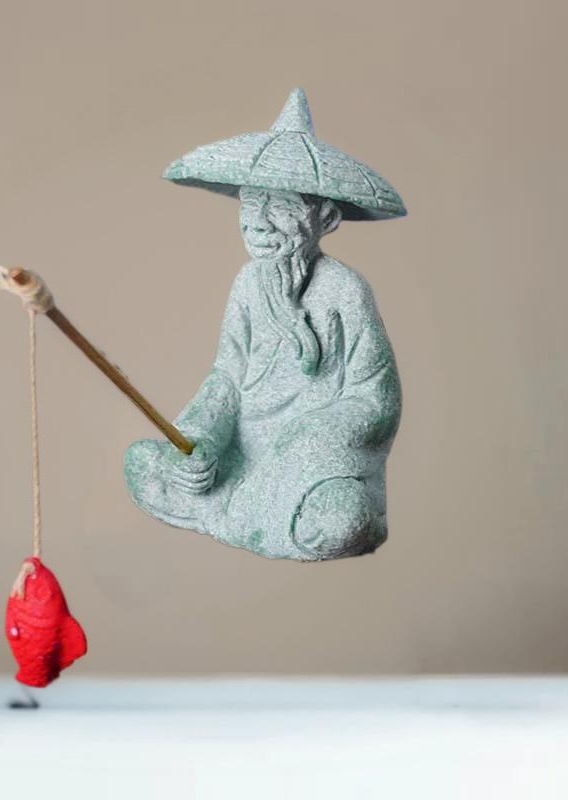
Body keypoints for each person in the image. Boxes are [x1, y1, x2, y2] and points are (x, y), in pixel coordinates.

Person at [124, 89, 405, 561]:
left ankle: (252, 511)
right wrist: (201, 440)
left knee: (343, 518)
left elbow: (377, 401)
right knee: (143, 464)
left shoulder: (344, 290)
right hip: (241, 454)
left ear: (325, 218)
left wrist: (307, 435)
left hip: (309, 465)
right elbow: (227, 377)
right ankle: (239, 507)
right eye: (250, 203)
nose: (257, 222)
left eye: (280, 206)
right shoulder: (248, 284)